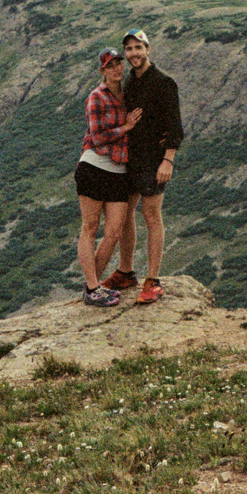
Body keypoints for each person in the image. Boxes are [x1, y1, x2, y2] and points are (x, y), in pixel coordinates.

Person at [107, 27, 183, 304]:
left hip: (154, 160)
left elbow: (175, 126)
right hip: (130, 157)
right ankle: (126, 272)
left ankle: (153, 280)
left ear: (148, 49)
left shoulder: (164, 82)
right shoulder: (130, 82)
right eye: (128, 49)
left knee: (151, 216)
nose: (133, 54)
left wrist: (168, 160)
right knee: (125, 215)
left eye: (138, 48)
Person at [75, 47, 141, 306]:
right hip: (93, 165)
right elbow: (97, 135)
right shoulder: (96, 97)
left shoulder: (126, 96)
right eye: (110, 65)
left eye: (118, 63)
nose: (116, 68)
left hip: (118, 170)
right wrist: (125, 127)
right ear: (102, 70)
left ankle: (94, 287)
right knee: (90, 228)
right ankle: (93, 288)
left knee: (114, 231)